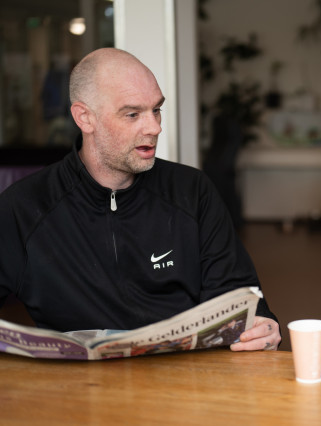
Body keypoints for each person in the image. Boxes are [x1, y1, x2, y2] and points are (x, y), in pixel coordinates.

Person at [0, 48, 280, 352]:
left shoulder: (192, 191)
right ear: (85, 118)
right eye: (133, 114)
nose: (154, 127)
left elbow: (238, 297)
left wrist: (261, 327)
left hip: (185, 386)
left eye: (156, 110)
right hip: (78, 391)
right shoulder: (25, 207)